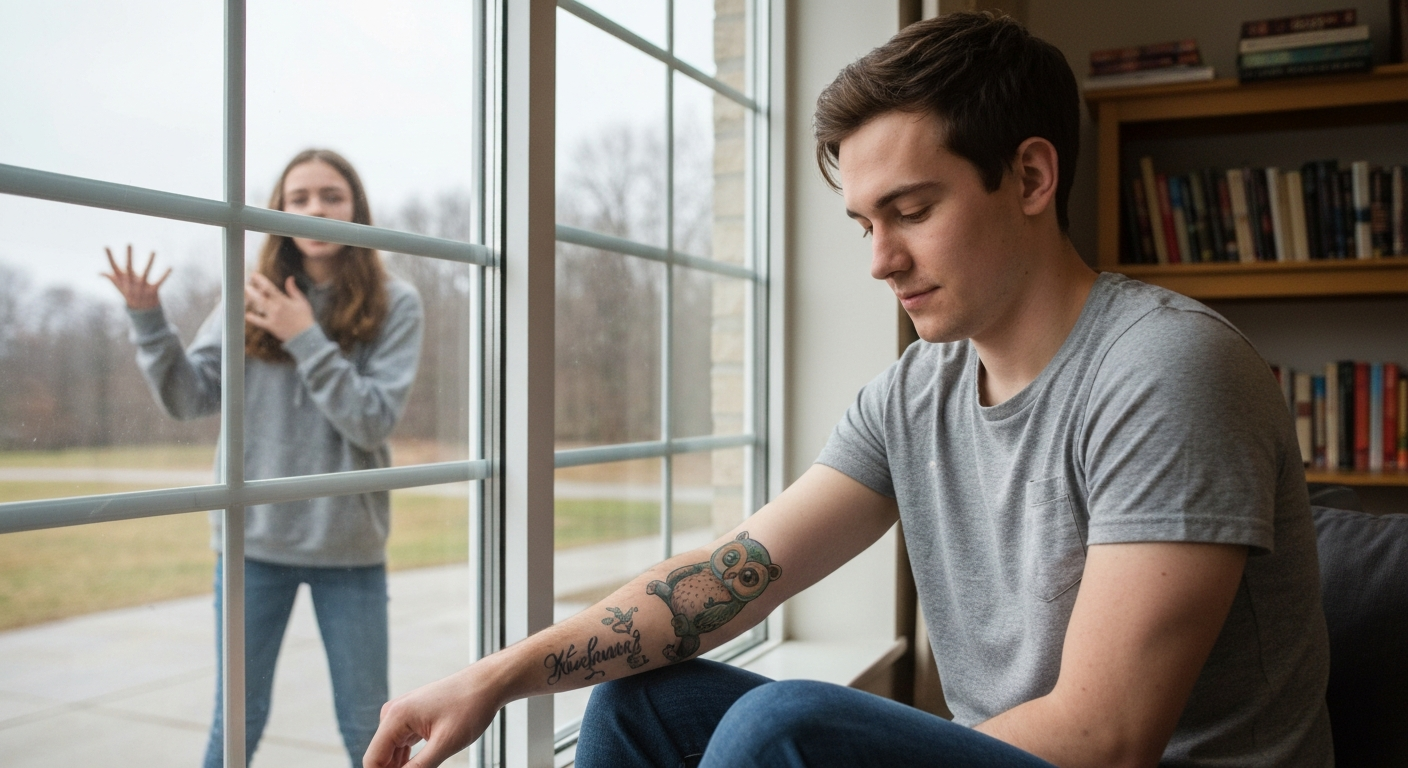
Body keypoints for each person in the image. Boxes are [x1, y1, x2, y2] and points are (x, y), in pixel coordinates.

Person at [363, 13, 1331, 768]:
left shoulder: (1167, 371)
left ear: (1031, 175)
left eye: (911, 211)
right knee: (642, 699)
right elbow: (732, 576)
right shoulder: (919, 391)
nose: (880, 260)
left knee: (785, 725)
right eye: (864, 221)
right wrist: (497, 677)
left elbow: (1104, 735)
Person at [102, 148, 425, 768]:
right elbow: (188, 397)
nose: (315, 209)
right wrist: (148, 322)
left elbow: (372, 420)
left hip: (347, 545)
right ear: (277, 212)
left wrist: (304, 334)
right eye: (298, 198)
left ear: (356, 206)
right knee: (237, 723)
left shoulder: (397, 301)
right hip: (253, 546)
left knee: (370, 726)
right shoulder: (248, 296)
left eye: (331, 196)